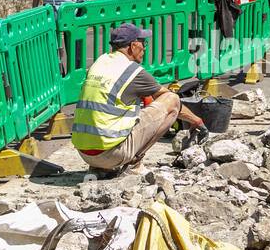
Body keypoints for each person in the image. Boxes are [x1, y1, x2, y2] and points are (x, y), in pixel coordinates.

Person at [73, 23, 207, 176]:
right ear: (133, 46)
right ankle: (134, 165)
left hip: (85, 154)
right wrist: (197, 121)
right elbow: (170, 101)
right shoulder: (132, 71)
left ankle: (101, 168)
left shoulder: (100, 62)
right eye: (143, 44)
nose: (145, 48)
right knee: (172, 99)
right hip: (111, 154)